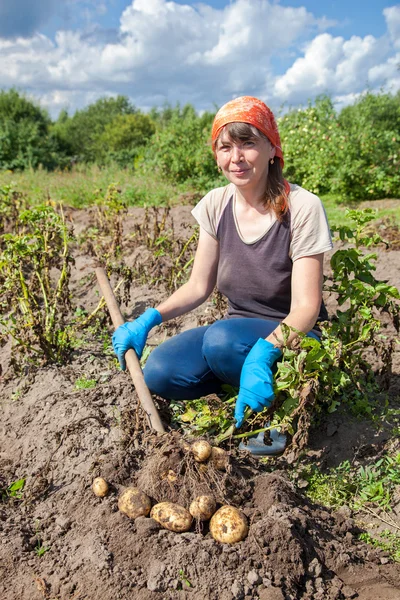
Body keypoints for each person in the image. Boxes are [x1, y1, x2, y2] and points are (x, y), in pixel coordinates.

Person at [112, 96, 333, 440]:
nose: (236, 158)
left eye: (248, 144)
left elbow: (307, 308)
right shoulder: (216, 204)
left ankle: (277, 416)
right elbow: (199, 286)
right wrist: (148, 319)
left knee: (221, 342)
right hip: (237, 333)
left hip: (296, 336)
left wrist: (264, 352)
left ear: (273, 148)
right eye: (225, 146)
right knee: (160, 371)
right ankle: (242, 385)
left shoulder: (303, 207)